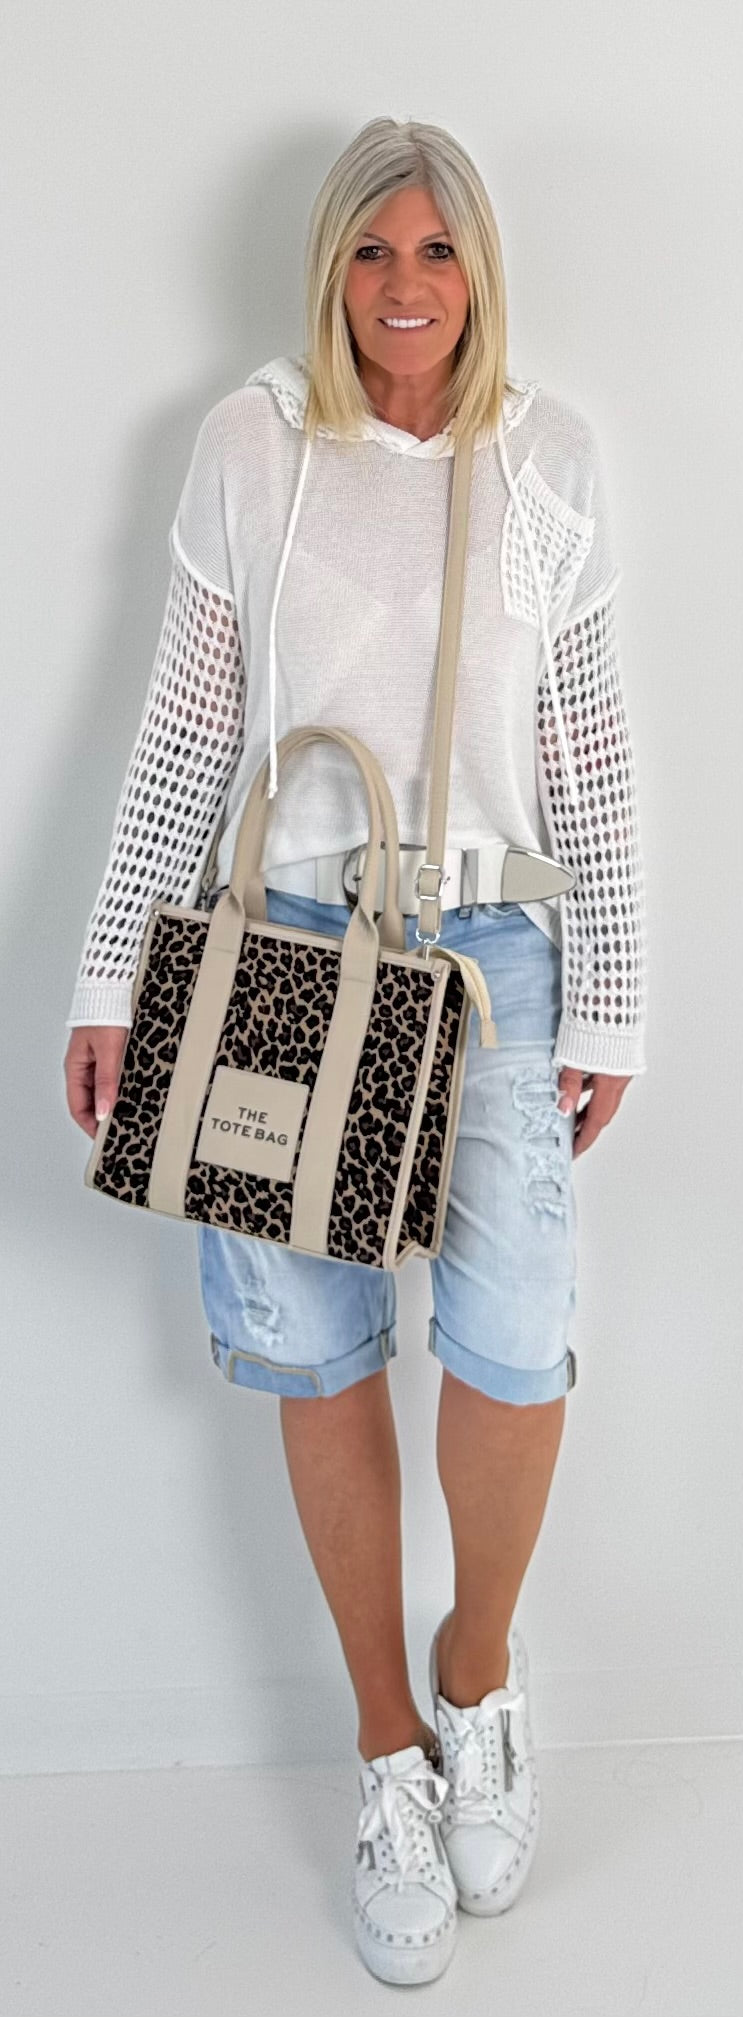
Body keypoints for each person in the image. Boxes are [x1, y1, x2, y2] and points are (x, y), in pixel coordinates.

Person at [63, 116, 648, 1988]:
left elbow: (592, 754)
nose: (407, 287)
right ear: (332, 270)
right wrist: (106, 978)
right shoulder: (253, 449)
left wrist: (615, 993)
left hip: (494, 959)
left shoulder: (547, 457)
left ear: (481, 272)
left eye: (439, 251)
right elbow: (182, 736)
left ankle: (481, 1675)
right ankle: (389, 1752)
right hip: (288, 949)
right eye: (376, 252)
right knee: (316, 1351)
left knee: (513, 1337)